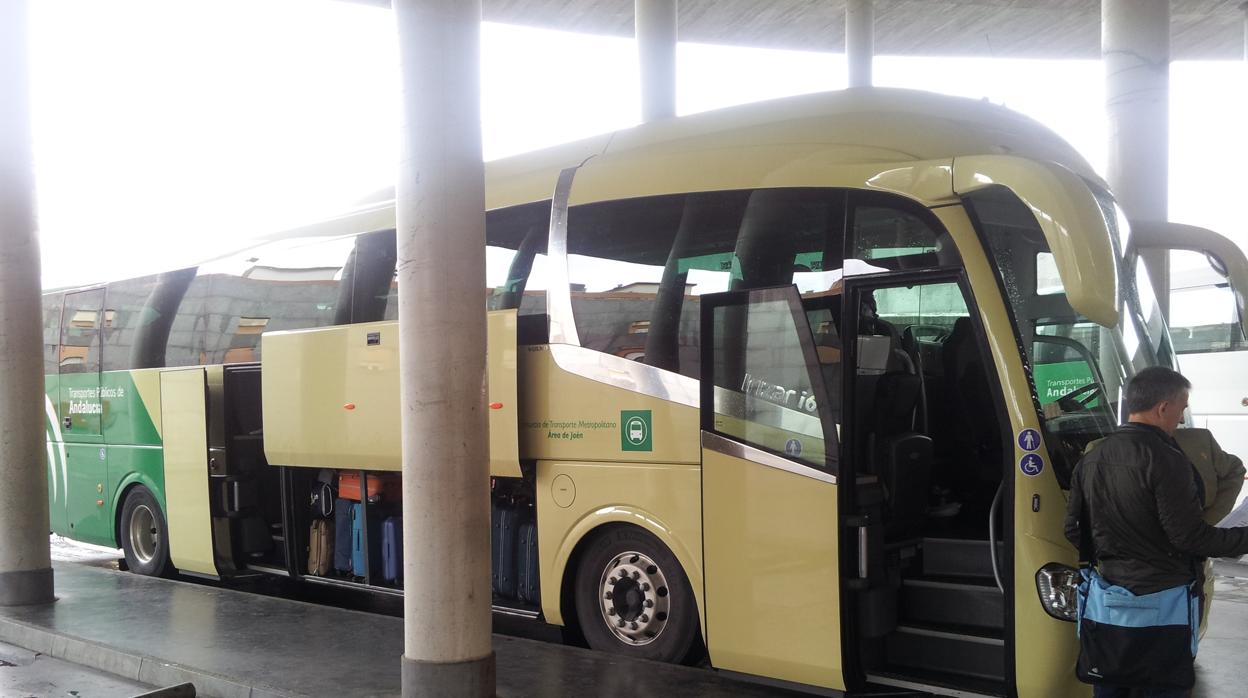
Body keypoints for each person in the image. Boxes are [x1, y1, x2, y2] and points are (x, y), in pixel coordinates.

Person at [1064, 366, 1248, 698]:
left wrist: (1117, 560)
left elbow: (1074, 529)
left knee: (1109, 684)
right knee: (1162, 687)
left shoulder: (1092, 457)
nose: (1181, 418)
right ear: (1163, 407)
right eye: (1181, 408)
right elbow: (1189, 538)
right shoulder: (1167, 458)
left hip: (1108, 600)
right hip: (1165, 604)